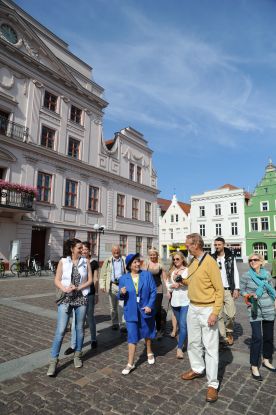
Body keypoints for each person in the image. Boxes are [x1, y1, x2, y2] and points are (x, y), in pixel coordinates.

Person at [181, 233, 223, 403]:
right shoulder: (192, 262)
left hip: (207, 308)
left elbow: (219, 290)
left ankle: (212, 384)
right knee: (193, 342)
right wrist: (181, 281)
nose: (186, 247)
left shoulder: (210, 262)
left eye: (188, 245)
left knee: (211, 347)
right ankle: (197, 368)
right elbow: (192, 282)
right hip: (193, 306)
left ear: (196, 244)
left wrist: (215, 312)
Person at [47, 239, 92, 376]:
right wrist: (65, 289)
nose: (81, 250)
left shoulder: (86, 262)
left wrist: (78, 287)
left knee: (79, 329)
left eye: (82, 248)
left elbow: (90, 280)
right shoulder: (63, 261)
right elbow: (57, 279)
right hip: (65, 298)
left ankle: (77, 355)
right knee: (60, 331)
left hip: (81, 298)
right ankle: (53, 361)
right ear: (72, 249)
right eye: (79, 248)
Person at [118, 253, 157, 375]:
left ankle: (149, 351)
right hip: (131, 311)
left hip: (145, 309)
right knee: (132, 336)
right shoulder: (123, 278)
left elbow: (153, 291)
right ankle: (130, 363)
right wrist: (122, 293)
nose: (137, 264)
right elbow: (120, 297)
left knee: (147, 331)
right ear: (129, 265)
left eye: (138, 261)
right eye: (134, 262)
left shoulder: (147, 275)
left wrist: (150, 305)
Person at [240, 253, 276, 381]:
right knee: (257, 337)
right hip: (255, 308)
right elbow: (242, 290)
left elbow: (271, 289)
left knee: (268, 336)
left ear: (261, 262)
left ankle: (266, 359)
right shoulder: (246, 275)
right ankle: (254, 365)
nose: (252, 262)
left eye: (255, 260)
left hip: (268, 307)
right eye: (250, 260)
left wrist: (275, 301)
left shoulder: (266, 274)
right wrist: (248, 295)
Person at [64, 242, 99, 355]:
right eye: (82, 249)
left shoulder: (93, 263)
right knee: (75, 320)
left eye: (86, 249)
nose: (84, 251)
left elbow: (95, 279)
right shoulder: (77, 262)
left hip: (90, 294)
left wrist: (96, 293)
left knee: (90, 318)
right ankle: (73, 345)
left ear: (89, 251)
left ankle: (93, 339)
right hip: (77, 294)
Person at [211, 237, 240, 346]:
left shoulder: (230, 257)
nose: (217, 246)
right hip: (216, 291)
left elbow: (235, 272)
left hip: (228, 290)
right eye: (215, 245)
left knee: (231, 315)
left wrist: (236, 288)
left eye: (219, 244)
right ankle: (223, 337)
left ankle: (229, 331)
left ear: (223, 245)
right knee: (218, 315)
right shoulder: (212, 258)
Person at [166, 251, 189, 358]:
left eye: (177, 259)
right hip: (175, 301)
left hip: (186, 300)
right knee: (181, 324)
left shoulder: (187, 270)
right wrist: (171, 287)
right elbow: (168, 284)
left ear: (182, 259)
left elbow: (190, 283)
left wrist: (180, 283)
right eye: (174, 259)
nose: (175, 261)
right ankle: (186, 340)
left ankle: (179, 348)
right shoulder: (172, 271)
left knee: (183, 324)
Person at [100, 245, 127, 333]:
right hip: (112, 285)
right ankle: (114, 323)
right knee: (113, 307)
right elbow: (103, 273)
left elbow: (128, 272)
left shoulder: (124, 260)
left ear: (120, 251)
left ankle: (122, 324)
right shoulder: (108, 261)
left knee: (122, 306)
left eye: (117, 250)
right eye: (114, 250)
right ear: (112, 252)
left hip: (122, 286)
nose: (116, 252)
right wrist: (102, 285)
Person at [143, 247, 167, 338]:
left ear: (157, 255)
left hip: (158, 288)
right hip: (148, 290)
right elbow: (143, 277)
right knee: (149, 308)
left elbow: (164, 278)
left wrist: (167, 290)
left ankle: (159, 328)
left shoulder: (160, 264)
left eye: (154, 254)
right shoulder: (146, 264)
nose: (152, 256)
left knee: (157, 310)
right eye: (151, 255)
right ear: (149, 255)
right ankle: (150, 328)